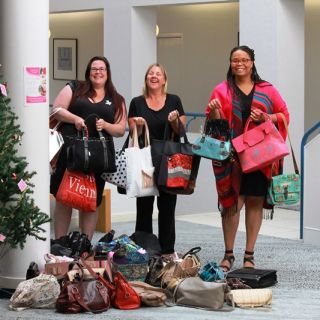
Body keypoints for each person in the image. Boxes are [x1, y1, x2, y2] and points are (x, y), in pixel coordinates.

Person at [206, 45, 290, 271]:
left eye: (244, 59)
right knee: (232, 203)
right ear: (230, 63)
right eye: (235, 60)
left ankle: (249, 255)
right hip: (232, 158)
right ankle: (228, 254)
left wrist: (267, 116)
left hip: (259, 158)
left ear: (252, 63)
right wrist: (214, 112)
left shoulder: (267, 89)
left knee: (254, 202)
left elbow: (284, 115)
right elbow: (212, 127)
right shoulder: (221, 90)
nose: (239, 63)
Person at [50, 56, 127, 241]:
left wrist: (106, 125)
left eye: (102, 69)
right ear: (88, 72)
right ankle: (61, 242)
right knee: (63, 198)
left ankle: (85, 245)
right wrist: (75, 119)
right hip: (70, 153)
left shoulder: (116, 99)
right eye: (94, 69)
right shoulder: (75, 88)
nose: (98, 72)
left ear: (107, 73)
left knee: (91, 201)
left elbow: (120, 129)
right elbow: (56, 109)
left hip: (98, 157)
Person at [128, 63, 186, 259]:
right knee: (144, 205)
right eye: (150, 74)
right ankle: (144, 249)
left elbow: (181, 130)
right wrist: (139, 125)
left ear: (164, 80)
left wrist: (174, 121)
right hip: (145, 161)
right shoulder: (137, 102)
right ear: (146, 79)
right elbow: (132, 131)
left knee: (168, 206)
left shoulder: (174, 100)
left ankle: (167, 251)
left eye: (158, 74)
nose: (154, 76)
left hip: (169, 162)